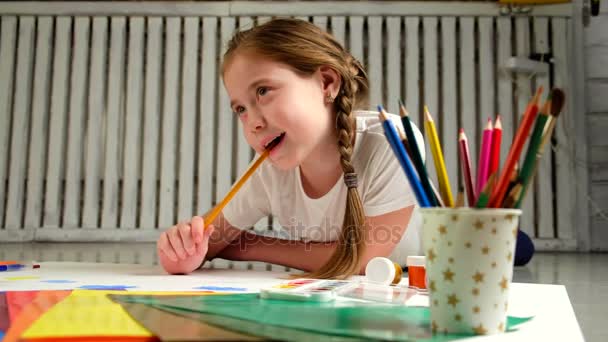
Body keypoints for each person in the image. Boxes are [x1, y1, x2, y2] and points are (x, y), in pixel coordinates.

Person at [156, 18, 425, 278]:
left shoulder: (391, 140)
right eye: (240, 109)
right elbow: (206, 242)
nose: (253, 124)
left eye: (263, 91)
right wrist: (180, 251)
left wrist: (244, 245)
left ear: (327, 83)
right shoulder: (270, 170)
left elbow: (363, 259)